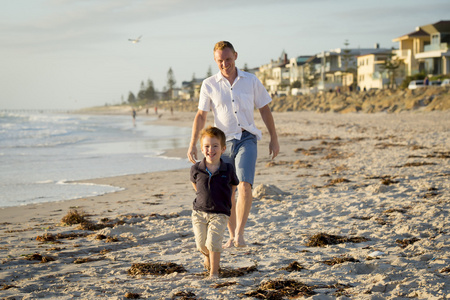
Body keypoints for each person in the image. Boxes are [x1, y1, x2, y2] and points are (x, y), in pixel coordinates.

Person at [187, 41, 279, 248]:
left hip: (247, 138)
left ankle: (239, 234)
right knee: (227, 189)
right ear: (215, 60)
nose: (225, 64)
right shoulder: (209, 84)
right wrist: (192, 143)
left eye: (228, 59)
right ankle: (231, 234)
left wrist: (274, 137)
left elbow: (265, 109)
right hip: (223, 144)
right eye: (220, 60)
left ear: (235, 56)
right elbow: (201, 115)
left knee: (245, 184)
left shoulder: (251, 80)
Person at [190, 126, 239, 278]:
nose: (211, 149)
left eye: (215, 146)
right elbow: (196, 185)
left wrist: (226, 201)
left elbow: (234, 185)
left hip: (220, 212)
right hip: (199, 212)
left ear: (223, 149)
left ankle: (214, 272)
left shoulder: (228, 169)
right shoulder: (196, 168)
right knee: (201, 244)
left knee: (213, 243)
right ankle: (207, 256)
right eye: (207, 146)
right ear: (202, 149)